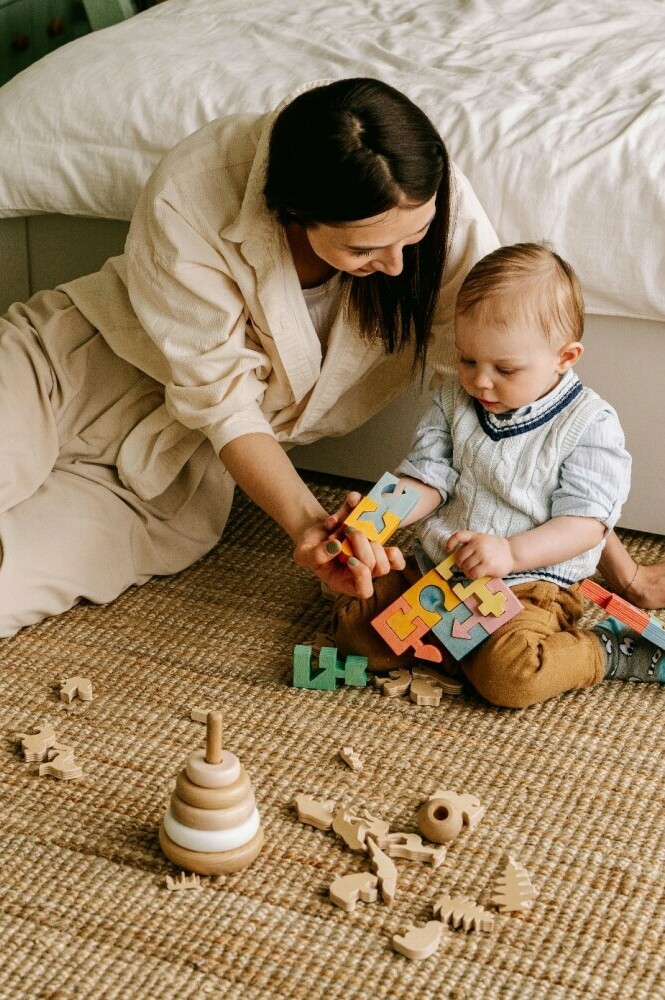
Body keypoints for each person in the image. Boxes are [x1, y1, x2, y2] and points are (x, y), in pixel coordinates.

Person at [0, 79, 659, 637]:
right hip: (66, 373)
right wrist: (308, 522)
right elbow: (222, 399)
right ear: (291, 213)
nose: (399, 266)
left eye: (415, 237)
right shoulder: (195, 189)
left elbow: (533, 410)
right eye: (364, 251)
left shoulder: (431, 204)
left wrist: (621, 571)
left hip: (165, 479)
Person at [331, 243, 663, 707]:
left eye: (504, 369)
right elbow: (427, 478)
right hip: (438, 574)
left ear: (564, 357)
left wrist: (510, 553)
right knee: (352, 631)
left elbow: (587, 526)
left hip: (529, 585)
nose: (480, 381)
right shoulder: (453, 402)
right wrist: (373, 516)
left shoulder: (589, 424)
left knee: (512, 677)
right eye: (468, 360)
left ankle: (603, 651)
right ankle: (454, 648)